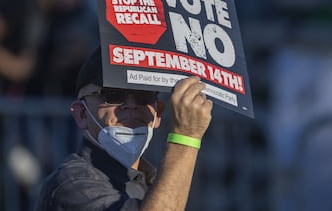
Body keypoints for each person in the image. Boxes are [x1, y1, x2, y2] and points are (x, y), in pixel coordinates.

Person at [34, 46, 213, 210]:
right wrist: (186, 136)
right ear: (81, 114)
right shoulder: (73, 183)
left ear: (158, 114)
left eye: (143, 95)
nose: (131, 105)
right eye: (113, 94)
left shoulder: (151, 181)